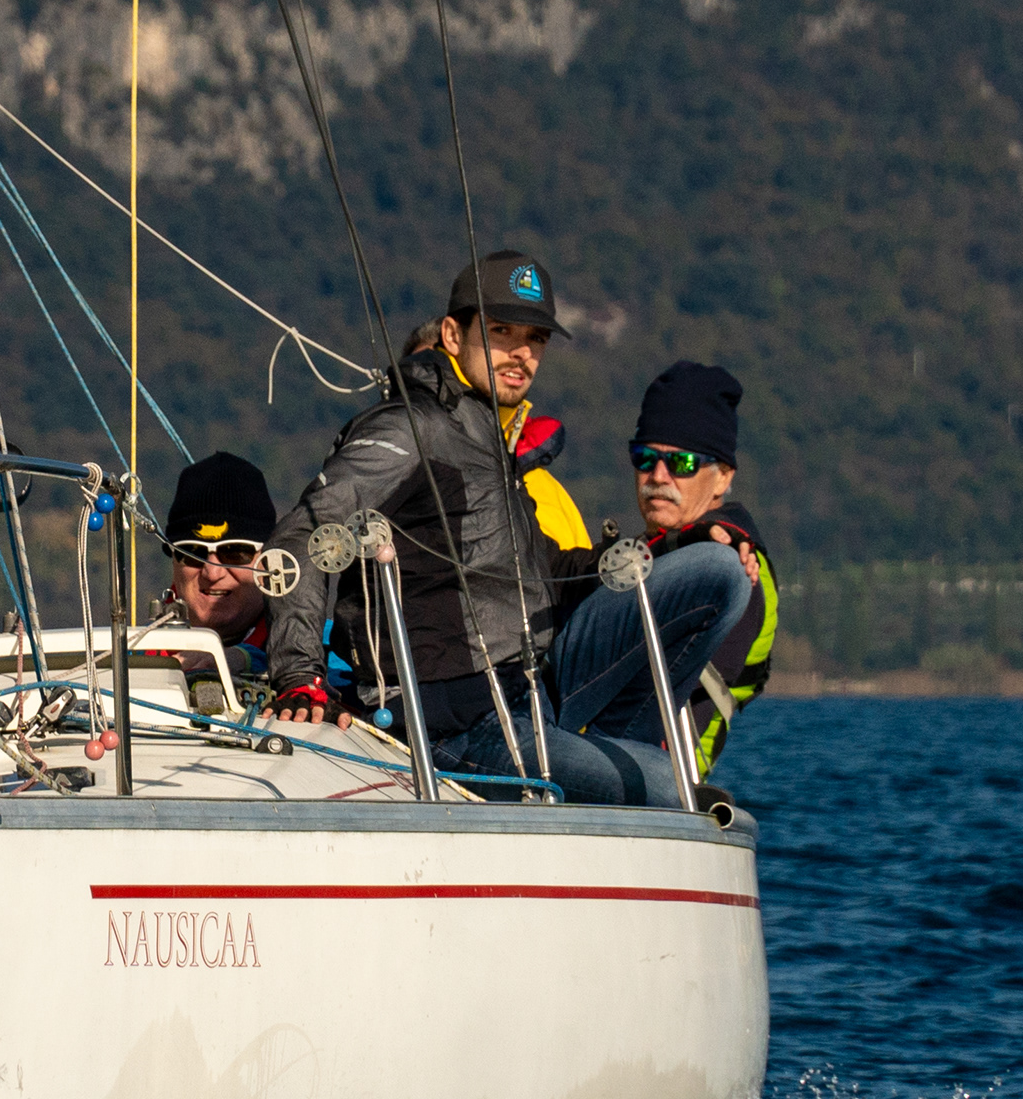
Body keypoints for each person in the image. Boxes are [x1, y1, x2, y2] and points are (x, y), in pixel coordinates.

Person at [263, 255, 682, 801]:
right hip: (448, 725)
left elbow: (543, 571)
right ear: (453, 336)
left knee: (707, 574)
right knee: (663, 787)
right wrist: (300, 677)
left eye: (535, 339)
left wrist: (660, 548)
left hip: (520, 699)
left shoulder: (488, 436)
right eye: (501, 332)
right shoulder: (413, 428)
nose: (522, 353)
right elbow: (302, 536)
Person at [547, 359, 774, 788]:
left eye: (682, 463)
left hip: (648, 773)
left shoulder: (738, 566)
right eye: (644, 458)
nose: (658, 476)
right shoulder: (655, 550)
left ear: (723, 477)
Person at [159, 451, 280, 683]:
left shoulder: (329, 646)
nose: (212, 572)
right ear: (173, 558)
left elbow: (341, 679)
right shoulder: (127, 659)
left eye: (235, 553)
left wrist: (246, 659)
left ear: (270, 560)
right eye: (192, 552)